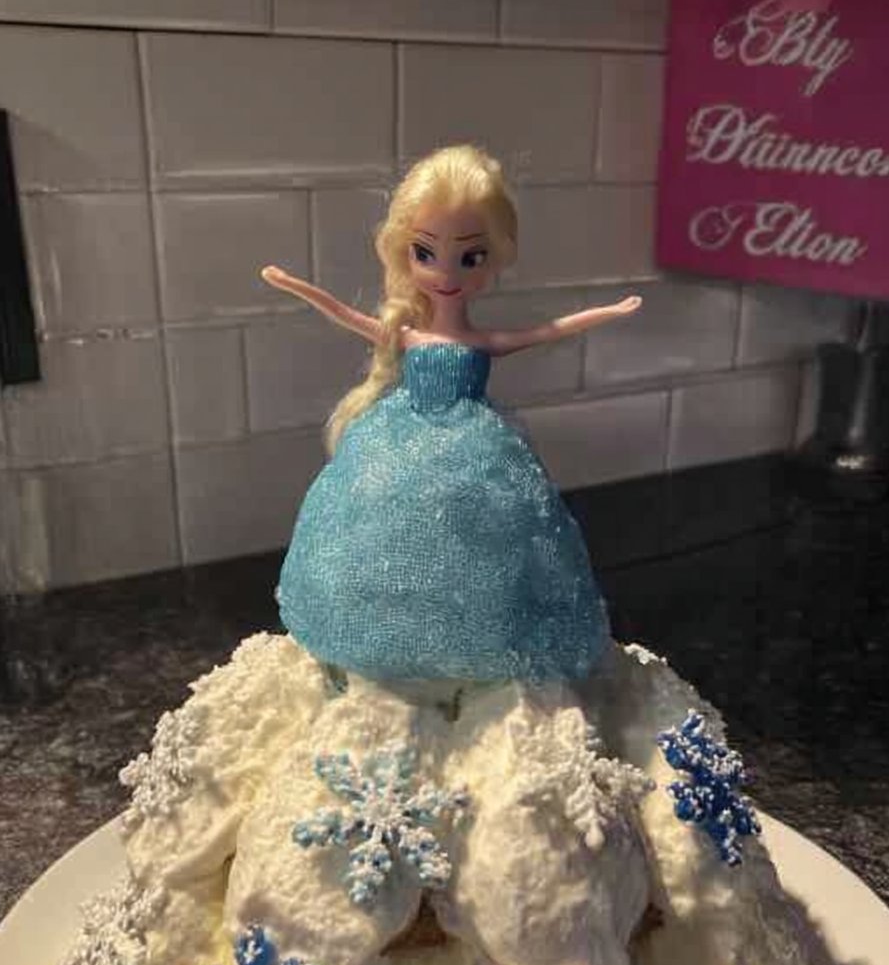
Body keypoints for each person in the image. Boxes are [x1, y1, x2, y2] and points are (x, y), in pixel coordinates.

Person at [261, 144, 641, 685]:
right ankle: (387, 641)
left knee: (480, 543)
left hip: (476, 451)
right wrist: (293, 285)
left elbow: (549, 331)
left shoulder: (481, 340)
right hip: (395, 446)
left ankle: (479, 650)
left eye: (470, 256)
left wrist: (609, 311)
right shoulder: (408, 335)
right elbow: (343, 314)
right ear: (404, 250)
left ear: (495, 256)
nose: (445, 272)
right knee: (383, 532)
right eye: (425, 252)